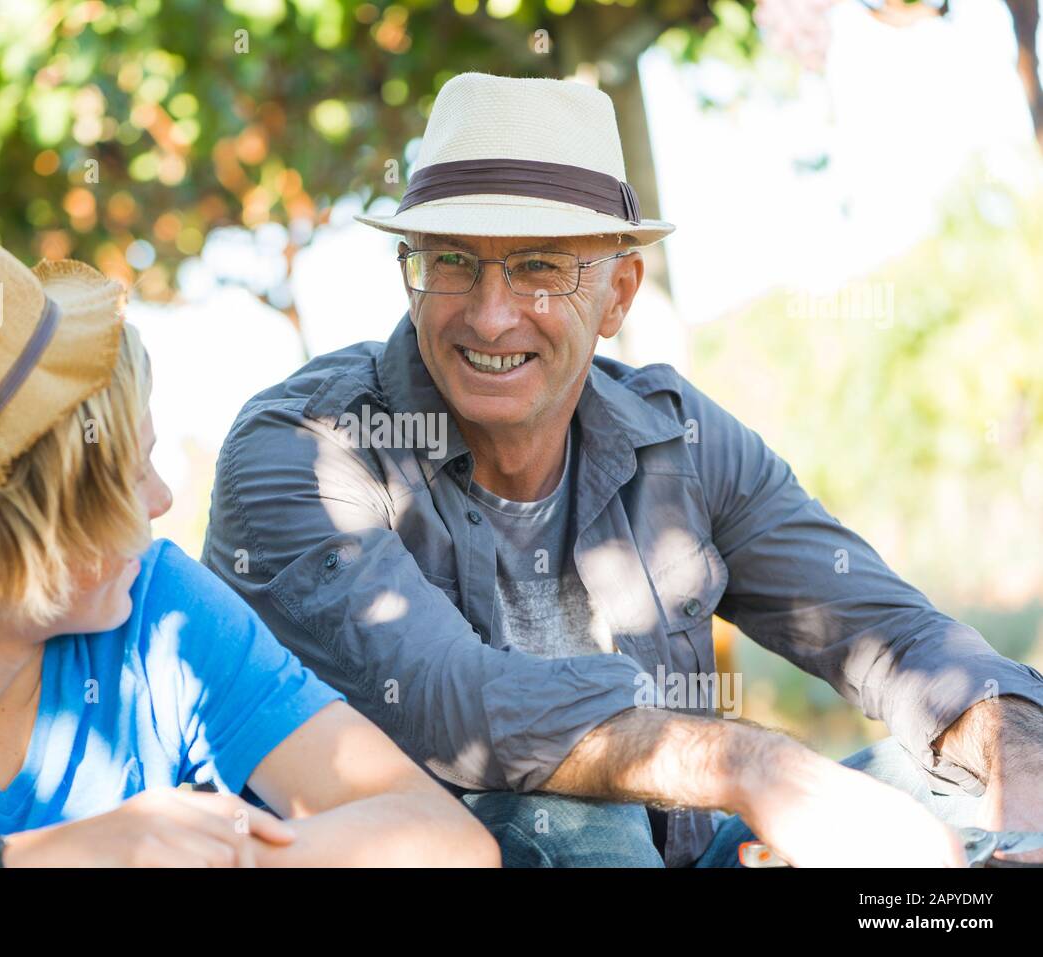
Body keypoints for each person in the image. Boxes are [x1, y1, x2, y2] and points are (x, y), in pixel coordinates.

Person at [201, 72, 1043, 867]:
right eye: (452, 260)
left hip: (676, 850)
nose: (492, 316)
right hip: (444, 853)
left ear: (620, 293)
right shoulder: (301, 448)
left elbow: (900, 639)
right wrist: (755, 765)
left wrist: (1021, 783)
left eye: (539, 266)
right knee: (576, 820)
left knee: (969, 775)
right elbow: (448, 701)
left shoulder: (679, 439)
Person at [0, 222, 499, 868]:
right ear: (5, 530)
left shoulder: (159, 614)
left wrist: (213, 852)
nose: (164, 498)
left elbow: (446, 840)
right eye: (131, 472)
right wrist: (50, 855)